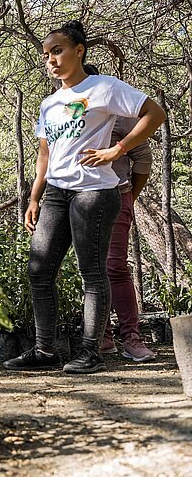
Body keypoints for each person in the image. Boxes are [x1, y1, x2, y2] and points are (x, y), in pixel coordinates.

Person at [3, 20, 166, 374]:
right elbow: (44, 154)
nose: (51, 60)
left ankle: (91, 352)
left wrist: (118, 149)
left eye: (57, 51)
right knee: (39, 268)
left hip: (95, 190)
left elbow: (155, 114)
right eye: (46, 55)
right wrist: (34, 198)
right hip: (57, 193)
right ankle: (45, 351)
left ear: (79, 51)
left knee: (91, 270)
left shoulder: (104, 88)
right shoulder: (50, 103)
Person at [101, 117, 156, 361]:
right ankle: (100, 337)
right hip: (76, 200)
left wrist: (129, 197)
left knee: (115, 266)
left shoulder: (119, 115)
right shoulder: (64, 110)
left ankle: (131, 337)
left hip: (117, 196)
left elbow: (143, 158)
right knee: (90, 268)